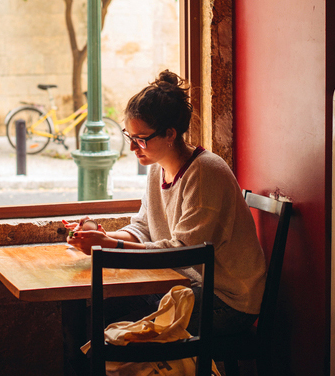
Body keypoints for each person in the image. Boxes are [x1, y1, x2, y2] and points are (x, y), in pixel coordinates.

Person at [63, 70, 266, 337]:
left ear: (170, 134)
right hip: (186, 286)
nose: (134, 147)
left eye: (142, 139)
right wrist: (100, 235)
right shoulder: (157, 169)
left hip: (227, 300)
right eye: (130, 136)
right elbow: (144, 227)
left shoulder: (205, 172)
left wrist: (110, 247)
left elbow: (183, 252)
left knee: (119, 333)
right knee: (98, 313)